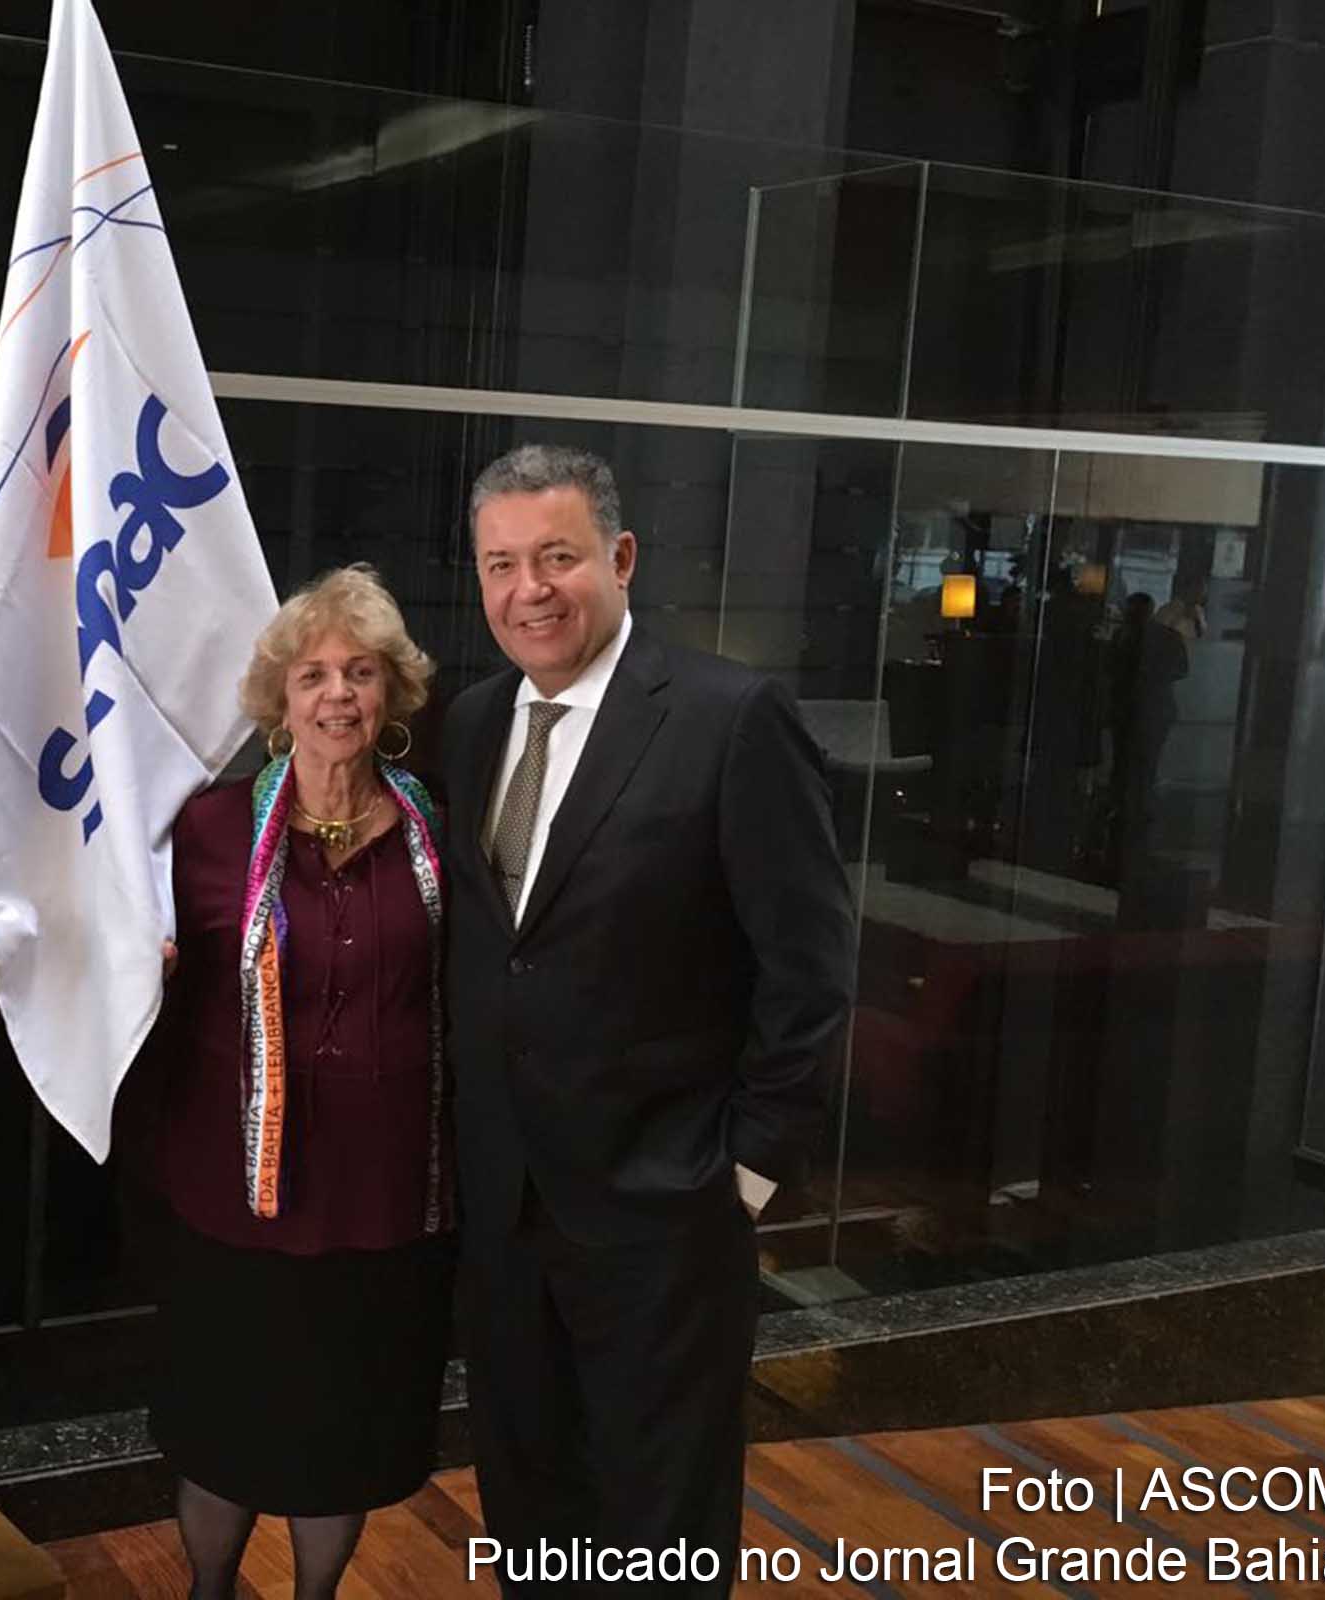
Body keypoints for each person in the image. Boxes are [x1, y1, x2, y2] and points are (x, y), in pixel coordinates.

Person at [441, 444, 854, 1595]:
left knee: (660, 1523)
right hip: (506, 1214)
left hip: (668, 1213)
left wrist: (749, 1173)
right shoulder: (471, 725)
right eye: (502, 563)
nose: (530, 588)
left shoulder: (731, 718)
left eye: (558, 556)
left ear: (620, 558)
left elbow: (810, 968)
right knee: (532, 1506)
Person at [120, 564, 452, 1600]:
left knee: (340, 1430)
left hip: (386, 1196)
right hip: (233, 1194)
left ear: (392, 692)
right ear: (280, 699)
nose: (338, 695)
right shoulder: (209, 829)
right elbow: (139, 968)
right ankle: (208, 1591)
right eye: (313, 675)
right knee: (226, 1424)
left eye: (360, 672)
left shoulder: (435, 825)